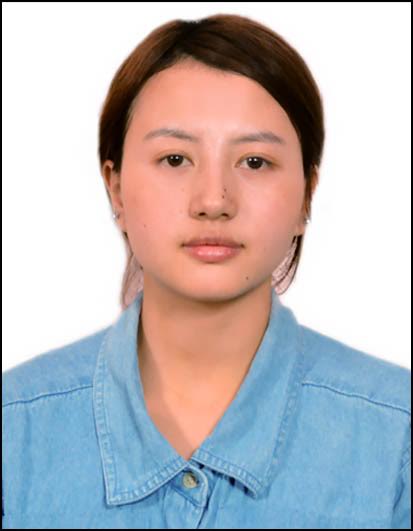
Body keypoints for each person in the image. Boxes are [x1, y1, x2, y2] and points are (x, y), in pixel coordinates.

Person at [2, 13, 410, 529]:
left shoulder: (396, 439)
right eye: (175, 159)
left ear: (307, 194)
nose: (214, 201)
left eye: (255, 162)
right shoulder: (14, 431)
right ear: (116, 188)